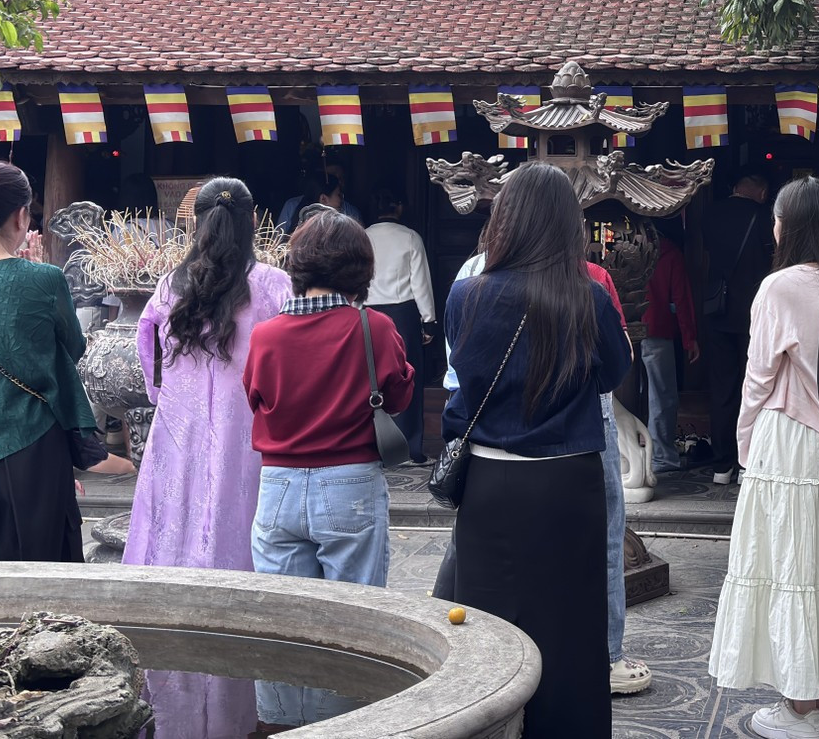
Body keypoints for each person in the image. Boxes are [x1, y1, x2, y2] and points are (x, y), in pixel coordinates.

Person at [441, 164, 633, 737]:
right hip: (567, 482)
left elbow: (463, 373)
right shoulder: (587, 298)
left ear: (505, 220)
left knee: (489, 621)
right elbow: (613, 373)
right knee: (570, 629)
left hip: (488, 481)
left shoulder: (466, 295)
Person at [0, 162, 131, 561]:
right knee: (40, 562)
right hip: (32, 442)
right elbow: (72, 348)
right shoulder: (45, 279)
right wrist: (33, 273)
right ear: (21, 216)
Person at [709, 177, 819, 739]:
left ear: (787, 226)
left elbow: (758, 376)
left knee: (786, 565)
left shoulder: (778, 287)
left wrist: (743, 444)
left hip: (787, 441)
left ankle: (798, 710)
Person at [242, 208, 415, 587]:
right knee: (356, 610)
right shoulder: (375, 328)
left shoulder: (265, 336)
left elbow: (255, 399)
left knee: (286, 611)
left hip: (279, 484)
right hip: (350, 482)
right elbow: (398, 399)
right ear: (361, 270)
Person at [127, 177, 293, 570]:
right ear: (253, 220)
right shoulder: (274, 285)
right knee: (240, 512)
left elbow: (147, 344)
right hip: (248, 423)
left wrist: (160, 394)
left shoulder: (171, 285)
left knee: (175, 514)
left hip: (179, 420)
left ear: (196, 223)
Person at [702, 167, 775, 483]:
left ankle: (722, 465)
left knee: (722, 388)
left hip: (717, 310)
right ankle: (748, 462)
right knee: (755, 386)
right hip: (753, 314)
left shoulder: (710, 214)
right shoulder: (763, 217)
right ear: (761, 192)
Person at [365, 190, 436, 463]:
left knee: (372, 378)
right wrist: (428, 320)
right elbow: (420, 282)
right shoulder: (410, 237)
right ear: (399, 207)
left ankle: (374, 446)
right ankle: (411, 447)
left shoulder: (363, 237)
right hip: (403, 313)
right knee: (407, 377)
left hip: (368, 312)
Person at [641, 216, 700, 474]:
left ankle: (630, 452)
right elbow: (681, 299)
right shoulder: (670, 253)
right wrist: (690, 338)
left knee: (629, 395)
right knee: (662, 395)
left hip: (626, 328)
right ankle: (661, 455)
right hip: (657, 327)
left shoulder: (629, 246)